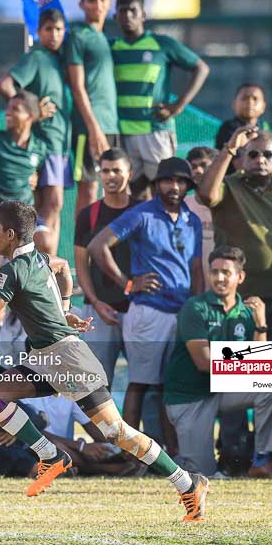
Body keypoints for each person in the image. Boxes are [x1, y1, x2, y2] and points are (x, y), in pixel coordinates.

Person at [0, 199, 209, 521]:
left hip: (67, 358)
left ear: (10, 234)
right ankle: (50, 455)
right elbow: (62, 268)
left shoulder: (13, 269)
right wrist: (63, 311)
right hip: (46, 357)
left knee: (117, 433)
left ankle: (188, 482)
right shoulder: (39, 258)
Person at [88, 157, 204, 450]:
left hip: (181, 312)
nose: (174, 186)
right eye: (168, 180)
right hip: (148, 311)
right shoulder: (142, 214)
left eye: (181, 181)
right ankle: (128, 454)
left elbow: (196, 267)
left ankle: (171, 453)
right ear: (157, 184)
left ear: (188, 186)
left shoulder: (192, 220)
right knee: (140, 384)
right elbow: (97, 246)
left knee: (168, 385)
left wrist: (198, 308)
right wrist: (128, 283)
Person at [163, 246, 272, 478]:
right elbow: (204, 363)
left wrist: (261, 325)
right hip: (190, 397)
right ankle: (175, 458)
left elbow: (259, 363)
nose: (219, 278)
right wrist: (245, 365)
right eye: (214, 271)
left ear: (240, 276)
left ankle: (262, 459)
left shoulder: (246, 312)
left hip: (221, 391)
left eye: (226, 272)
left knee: (271, 386)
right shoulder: (194, 308)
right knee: (201, 474)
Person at [197, 126, 272, 338]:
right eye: (253, 154)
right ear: (242, 160)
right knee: (237, 360)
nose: (260, 160)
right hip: (237, 302)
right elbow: (206, 195)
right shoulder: (229, 187)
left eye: (268, 154)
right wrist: (230, 148)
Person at [111, 0, 210, 198]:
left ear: (143, 15)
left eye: (133, 10)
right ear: (115, 16)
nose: (128, 15)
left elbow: (201, 68)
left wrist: (179, 106)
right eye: (122, 11)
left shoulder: (162, 44)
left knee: (166, 193)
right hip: (124, 133)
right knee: (135, 196)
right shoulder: (111, 47)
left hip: (156, 130)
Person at [0, 8, 68, 254]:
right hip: (43, 143)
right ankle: (42, 261)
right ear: (38, 32)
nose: (54, 34)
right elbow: (5, 85)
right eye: (48, 29)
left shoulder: (59, 60)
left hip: (54, 143)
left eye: (59, 29)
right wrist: (30, 112)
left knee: (51, 205)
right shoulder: (36, 57)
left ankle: (43, 261)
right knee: (52, 202)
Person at [72, 148, 136, 385]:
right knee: (96, 385)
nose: (111, 176)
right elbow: (81, 265)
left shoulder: (142, 210)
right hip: (99, 311)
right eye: (105, 171)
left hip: (137, 310)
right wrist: (95, 302)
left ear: (129, 174)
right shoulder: (88, 215)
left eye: (117, 170)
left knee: (145, 385)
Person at [64, 0, 120, 215]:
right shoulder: (78, 36)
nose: (98, 5)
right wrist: (94, 128)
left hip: (111, 125)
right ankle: (83, 239)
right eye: (92, 0)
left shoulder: (104, 38)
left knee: (113, 187)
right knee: (89, 188)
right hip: (88, 128)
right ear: (81, 5)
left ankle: (103, 238)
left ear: (109, 3)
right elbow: (77, 87)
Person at [0, 90, 47, 207]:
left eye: (15, 109)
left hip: (25, 211)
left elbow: (38, 187)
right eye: (8, 108)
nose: (8, 113)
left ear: (30, 116)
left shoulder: (40, 148)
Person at [183, 147, 217, 278]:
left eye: (204, 165)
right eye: (193, 167)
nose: (198, 171)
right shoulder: (182, 205)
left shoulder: (230, 202)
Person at [214, 83, 271, 158]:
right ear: (234, 104)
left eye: (255, 99)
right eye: (244, 98)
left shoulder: (265, 127)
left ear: (263, 106)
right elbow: (235, 160)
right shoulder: (228, 127)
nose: (250, 102)